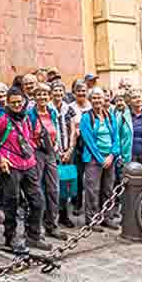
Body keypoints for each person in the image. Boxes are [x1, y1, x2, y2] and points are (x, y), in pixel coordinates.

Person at [0, 88, 52, 253]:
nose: (16, 105)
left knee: (38, 200)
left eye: (19, 102)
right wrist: (0, 158)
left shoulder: (26, 119)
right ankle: (10, 236)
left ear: (24, 102)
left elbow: (28, 138)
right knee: (11, 202)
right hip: (11, 166)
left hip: (28, 164)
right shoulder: (3, 121)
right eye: (13, 102)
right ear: (8, 103)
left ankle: (33, 235)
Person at [27, 83, 67, 241]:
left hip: (50, 153)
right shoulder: (30, 113)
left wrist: (57, 145)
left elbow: (55, 130)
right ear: (34, 97)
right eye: (39, 94)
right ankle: (36, 226)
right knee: (36, 190)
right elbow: (27, 134)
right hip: (36, 153)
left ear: (49, 96)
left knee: (54, 189)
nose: (42, 97)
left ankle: (52, 224)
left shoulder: (51, 111)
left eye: (45, 94)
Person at [80, 87, 121, 231]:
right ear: (90, 100)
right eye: (94, 98)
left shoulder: (110, 116)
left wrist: (111, 155)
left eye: (100, 98)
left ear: (105, 99)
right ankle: (92, 220)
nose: (97, 100)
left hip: (109, 158)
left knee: (108, 189)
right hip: (93, 159)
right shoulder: (86, 117)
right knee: (93, 190)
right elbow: (88, 140)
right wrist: (100, 158)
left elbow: (116, 137)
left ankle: (107, 217)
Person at [51, 81, 77, 228]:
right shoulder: (48, 108)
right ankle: (51, 215)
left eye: (61, 91)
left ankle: (64, 214)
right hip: (53, 151)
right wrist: (58, 151)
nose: (58, 94)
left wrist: (69, 150)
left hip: (68, 150)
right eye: (55, 91)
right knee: (54, 184)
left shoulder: (69, 109)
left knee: (66, 183)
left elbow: (73, 130)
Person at [68, 80, 92, 216]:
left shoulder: (91, 105)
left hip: (89, 144)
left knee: (90, 176)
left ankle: (91, 205)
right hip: (76, 144)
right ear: (74, 93)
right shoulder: (71, 107)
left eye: (84, 90)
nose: (82, 93)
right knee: (77, 175)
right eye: (79, 91)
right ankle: (77, 203)